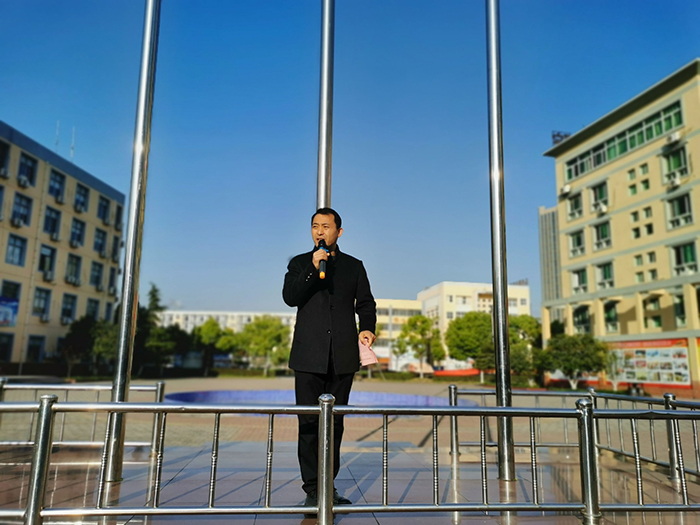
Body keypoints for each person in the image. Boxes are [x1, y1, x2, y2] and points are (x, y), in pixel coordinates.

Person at [282, 207, 376, 512]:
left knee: (335, 424)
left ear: (339, 231)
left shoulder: (353, 266)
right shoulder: (299, 263)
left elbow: (366, 303)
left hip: (342, 357)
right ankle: (312, 489)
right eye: (315, 226)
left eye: (325, 226)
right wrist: (312, 268)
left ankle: (327, 486)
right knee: (309, 423)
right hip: (308, 356)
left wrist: (367, 328)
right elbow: (290, 297)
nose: (320, 231)